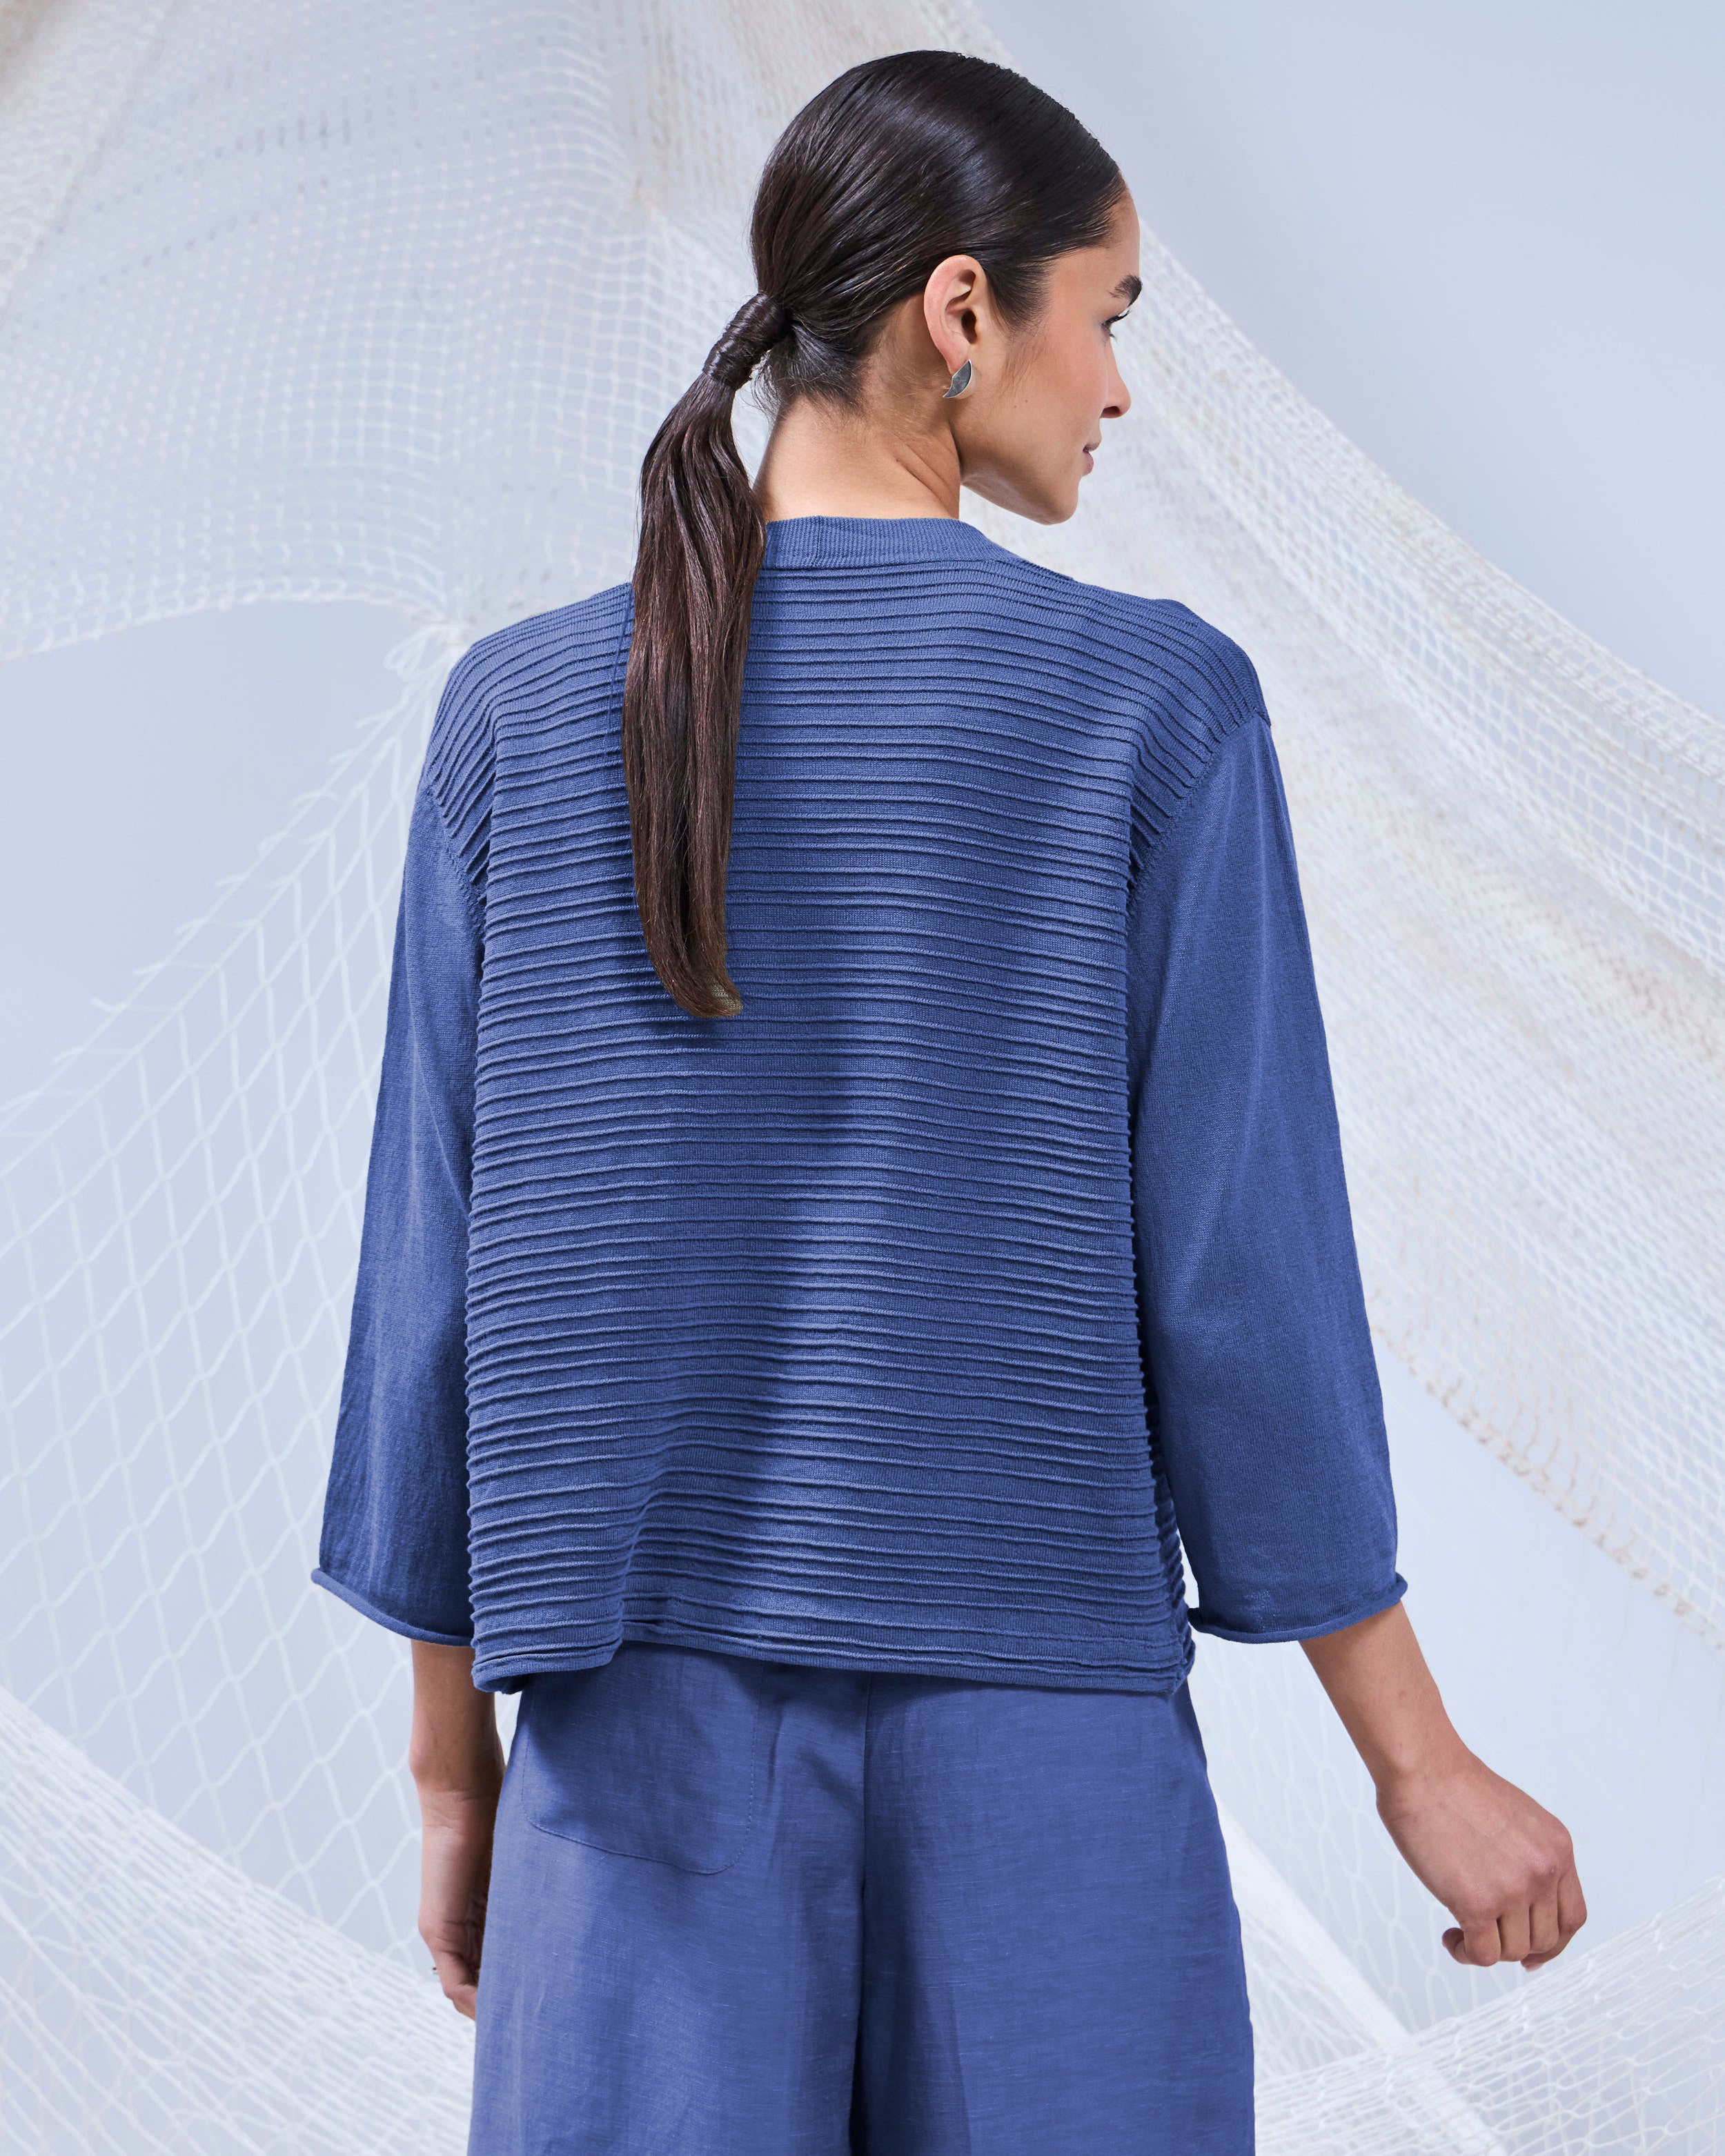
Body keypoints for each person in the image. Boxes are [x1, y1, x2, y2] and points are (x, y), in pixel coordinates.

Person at [313, 48, 1586, 2155]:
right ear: (964, 310)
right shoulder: (1149, 711)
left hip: (631, 1739)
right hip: (1040, 1741)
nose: (1118, 390)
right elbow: (1238, 1288)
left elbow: (429, 1295)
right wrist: (1415, 1764)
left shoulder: (519, 718)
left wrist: (454, 1776)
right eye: (1110, 316)